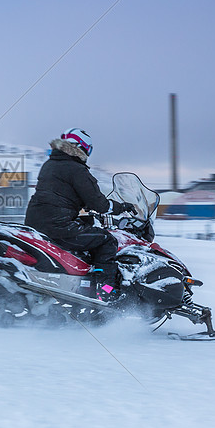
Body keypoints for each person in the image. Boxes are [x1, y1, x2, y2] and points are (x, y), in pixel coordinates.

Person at [24, 128, 136, 301]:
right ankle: (105, 290)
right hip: (58, 226)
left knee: (88, 229)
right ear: (83, 147)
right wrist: (121, 207)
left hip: (35, 222)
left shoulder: (49, 164)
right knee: (107, 241)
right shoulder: (77, 169)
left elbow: (62, 194)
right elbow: (98, 203)